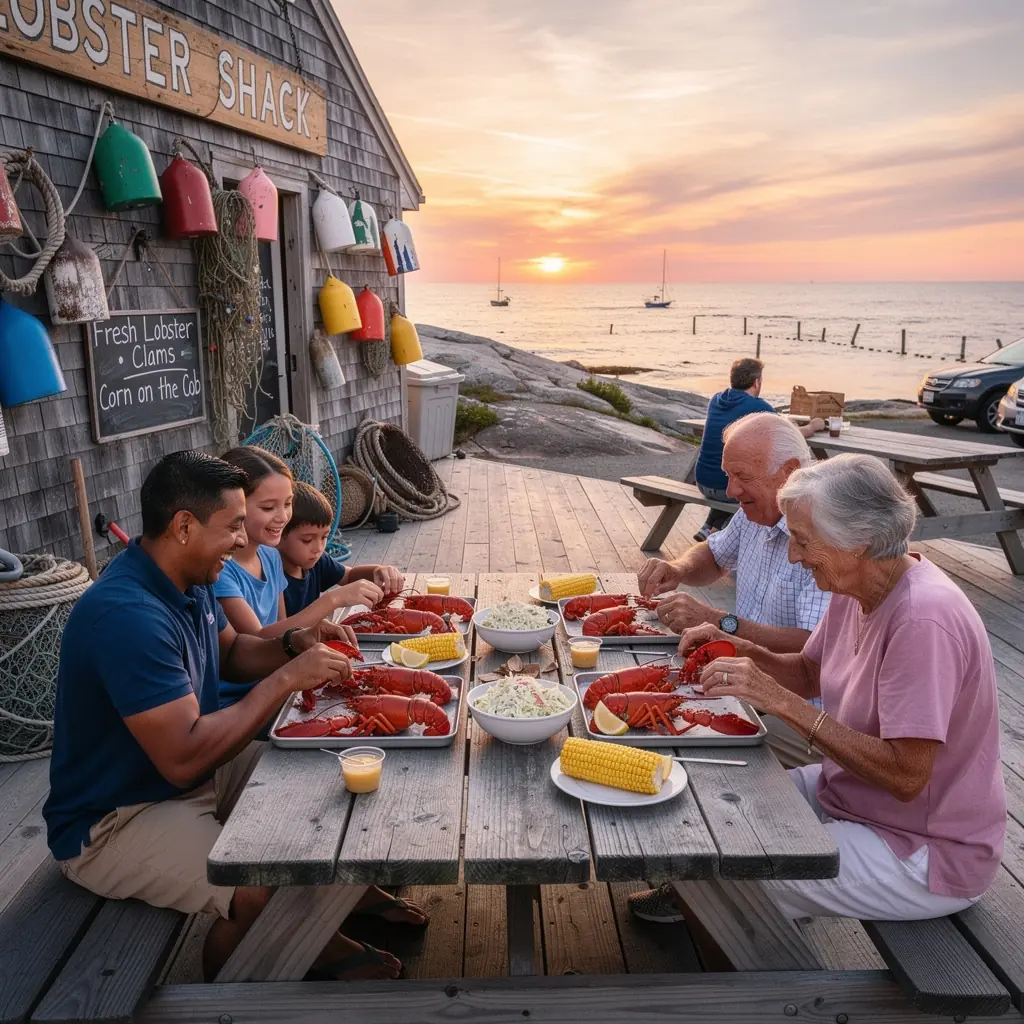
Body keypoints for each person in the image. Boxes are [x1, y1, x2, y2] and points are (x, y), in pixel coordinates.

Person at [43, 451, 407, 981]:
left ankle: (322, 923)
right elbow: (184, 760)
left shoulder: (189, 579)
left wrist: (294, 642)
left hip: (184, 778)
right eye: (234, 526)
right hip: (116, 819)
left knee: (327, 780)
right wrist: (286, 678)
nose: (244, 541)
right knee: (254, 883)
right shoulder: (127, 616)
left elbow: (235, 650)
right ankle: (241, 987)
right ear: (184, 526)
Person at [632, 453, 1005, 924]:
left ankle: (753, 971)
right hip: (848, 793)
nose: (793, 554)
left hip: (923, 848)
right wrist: (735, 646)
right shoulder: (860, 586)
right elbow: (808, 674)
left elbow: (906, 776)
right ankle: (712, 903)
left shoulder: (923, 620)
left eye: (804, 542)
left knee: (726, 859)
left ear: (860, 543)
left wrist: (777, 701)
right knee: (710, 800)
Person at [640, 413, 830, 766]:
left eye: (742, 476)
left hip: (798, 710)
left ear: (788, 472)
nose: (730, 490)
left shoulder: (822, 535)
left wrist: (721, 622)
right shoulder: (754, 512)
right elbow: (713, 554)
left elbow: (814, 645)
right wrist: (678, 568)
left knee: (675, 745)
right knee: (650, 708)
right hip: (742, 679)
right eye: (729, 475)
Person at [692, 358, 824, 541]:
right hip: (725, 488)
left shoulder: (716, 399)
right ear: (757, 382)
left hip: (702, 480)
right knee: (753, 482)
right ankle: (718, 530)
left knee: (737, 475)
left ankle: (710, 526)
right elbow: (790, 435)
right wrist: (813, 426)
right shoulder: (759, 407)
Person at [279, 481, 405, 619]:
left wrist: (377, 571)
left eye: (324, 537)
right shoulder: (272, 576)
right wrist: (333, 599)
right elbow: (280, 632)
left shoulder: (318, 562)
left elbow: (349, 576)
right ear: (278, 532)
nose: (319, 548)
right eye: (307, 540)